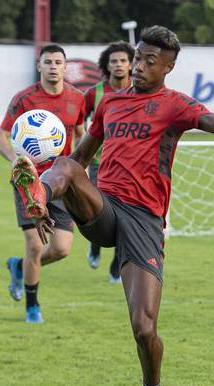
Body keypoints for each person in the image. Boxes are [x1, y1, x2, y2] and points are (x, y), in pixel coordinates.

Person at [10, 26, 214, 386]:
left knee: (143, 328)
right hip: (104, 207)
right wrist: (50, 195)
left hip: (144, 222)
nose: (137, 67)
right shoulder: (111, 103)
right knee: (65, 165)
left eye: (148, 61)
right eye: (137, 58)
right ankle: (36, 195)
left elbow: (213, 119)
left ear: (168, 68)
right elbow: (80, 160)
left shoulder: (174, 105)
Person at [0, 44, 86, 324]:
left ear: (65, 66)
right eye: (48, 62)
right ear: (39, 66)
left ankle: (19, 267)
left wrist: (78, 165)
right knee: (35, 246)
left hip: (60, 182)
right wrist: (15, 160)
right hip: (29, 182)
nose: (53, 66)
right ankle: (32, 307)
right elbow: (0, 137)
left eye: (58, 62)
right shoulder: (24, 98)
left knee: (61, 249)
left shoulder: (77, 98)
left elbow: (81, 134)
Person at [83, 41, 134, 283]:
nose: (119, 65)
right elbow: (78, 122)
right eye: (114, 61)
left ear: (131, 64)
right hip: (98, 163)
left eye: (123, 60)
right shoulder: (95, 93)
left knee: (124, 218)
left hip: (129, 166)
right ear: (107, 65)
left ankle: (116, 267)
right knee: (100, 213)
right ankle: (95, 245)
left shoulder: (138, 92)